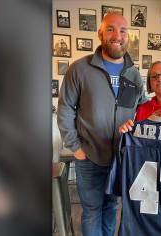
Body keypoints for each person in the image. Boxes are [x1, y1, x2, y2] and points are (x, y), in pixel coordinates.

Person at [57, 13, 148, 236]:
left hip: (121, 158)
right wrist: (76, 148)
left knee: (112, 208)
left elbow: (145, 110)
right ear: (100, 33)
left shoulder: (135, 75)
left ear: (129, 36)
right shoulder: (79, 69)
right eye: (110, 29)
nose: (117, 35)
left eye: (123, 31)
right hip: (89, 157)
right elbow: (65, 109)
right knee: (91, 211)